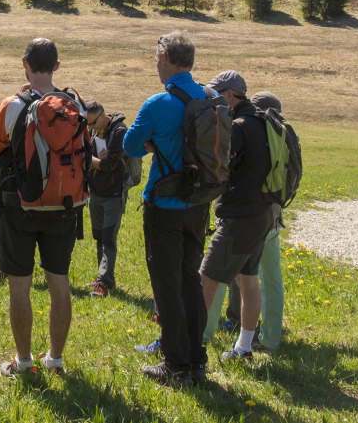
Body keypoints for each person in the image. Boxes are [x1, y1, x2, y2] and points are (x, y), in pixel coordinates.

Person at [0, 38, 82, 376]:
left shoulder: (12, 104)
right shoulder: (76, 104)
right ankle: (54, 360)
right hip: (65, 205)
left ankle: (24, 362)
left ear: (23, 62)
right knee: (59, 283)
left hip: (21, 206)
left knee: (20, 285)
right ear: (57, 65)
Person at [123, 31, 210, 386]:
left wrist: (152, 142)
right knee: (190, 280)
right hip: (199, 202)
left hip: (165, 203)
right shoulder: (208, 95)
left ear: (166, 58)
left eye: (157, 56)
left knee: (166, 285)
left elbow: (130, 145)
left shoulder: (159, 103)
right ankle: (196, 359)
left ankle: (175, 364)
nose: (155, 62)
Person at [196, 71, 278, 363]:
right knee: (248, 279)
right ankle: (243, 348)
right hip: (263, 213)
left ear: (230, 94)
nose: (213, 98)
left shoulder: (239, 126)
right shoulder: (263, 121)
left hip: (240, 217)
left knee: (205, 279)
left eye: (217, 92)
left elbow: (221, 166)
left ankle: (189, 347)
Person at [250, 90, 287, 354]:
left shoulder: (252, 134)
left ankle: (204, 332)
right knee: (272, 281)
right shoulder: (285, 136)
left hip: (246, 217)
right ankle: (271, 339)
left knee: (218, 276)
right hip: (273, 217)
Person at [84, 99, 131, 298]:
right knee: (99, 238)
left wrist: (87, 160)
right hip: (96, 193)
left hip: (112, 194)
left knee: (108, 239)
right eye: (87, 124)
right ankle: (103, 278)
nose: (90, 128)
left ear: (102, 115)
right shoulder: (96, 131)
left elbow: (110, 164)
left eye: (92, 123)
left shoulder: (119, 131)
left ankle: (103, 282)